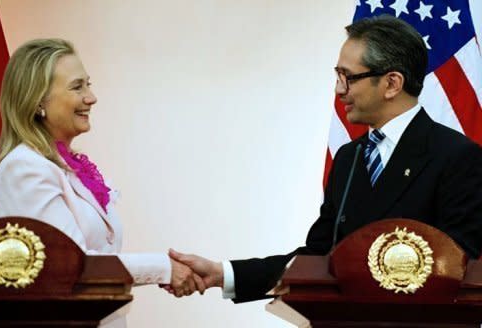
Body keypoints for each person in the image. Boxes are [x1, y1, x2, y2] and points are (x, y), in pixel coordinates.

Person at [166, 15, 482, 303]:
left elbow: (458, 269)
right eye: (337, 75)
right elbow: (319, 258)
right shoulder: (349, 157)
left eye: (348, 77)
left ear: (391, 83)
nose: (338, 89)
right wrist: (222, 273)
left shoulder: (457, 157)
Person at [0, 38, 204, 319]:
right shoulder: (24, 168)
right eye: (77, 87)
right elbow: (70, 265)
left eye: (89, 84)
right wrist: (164, 268)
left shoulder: (63, 164)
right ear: (37, 99)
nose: (91, 97)